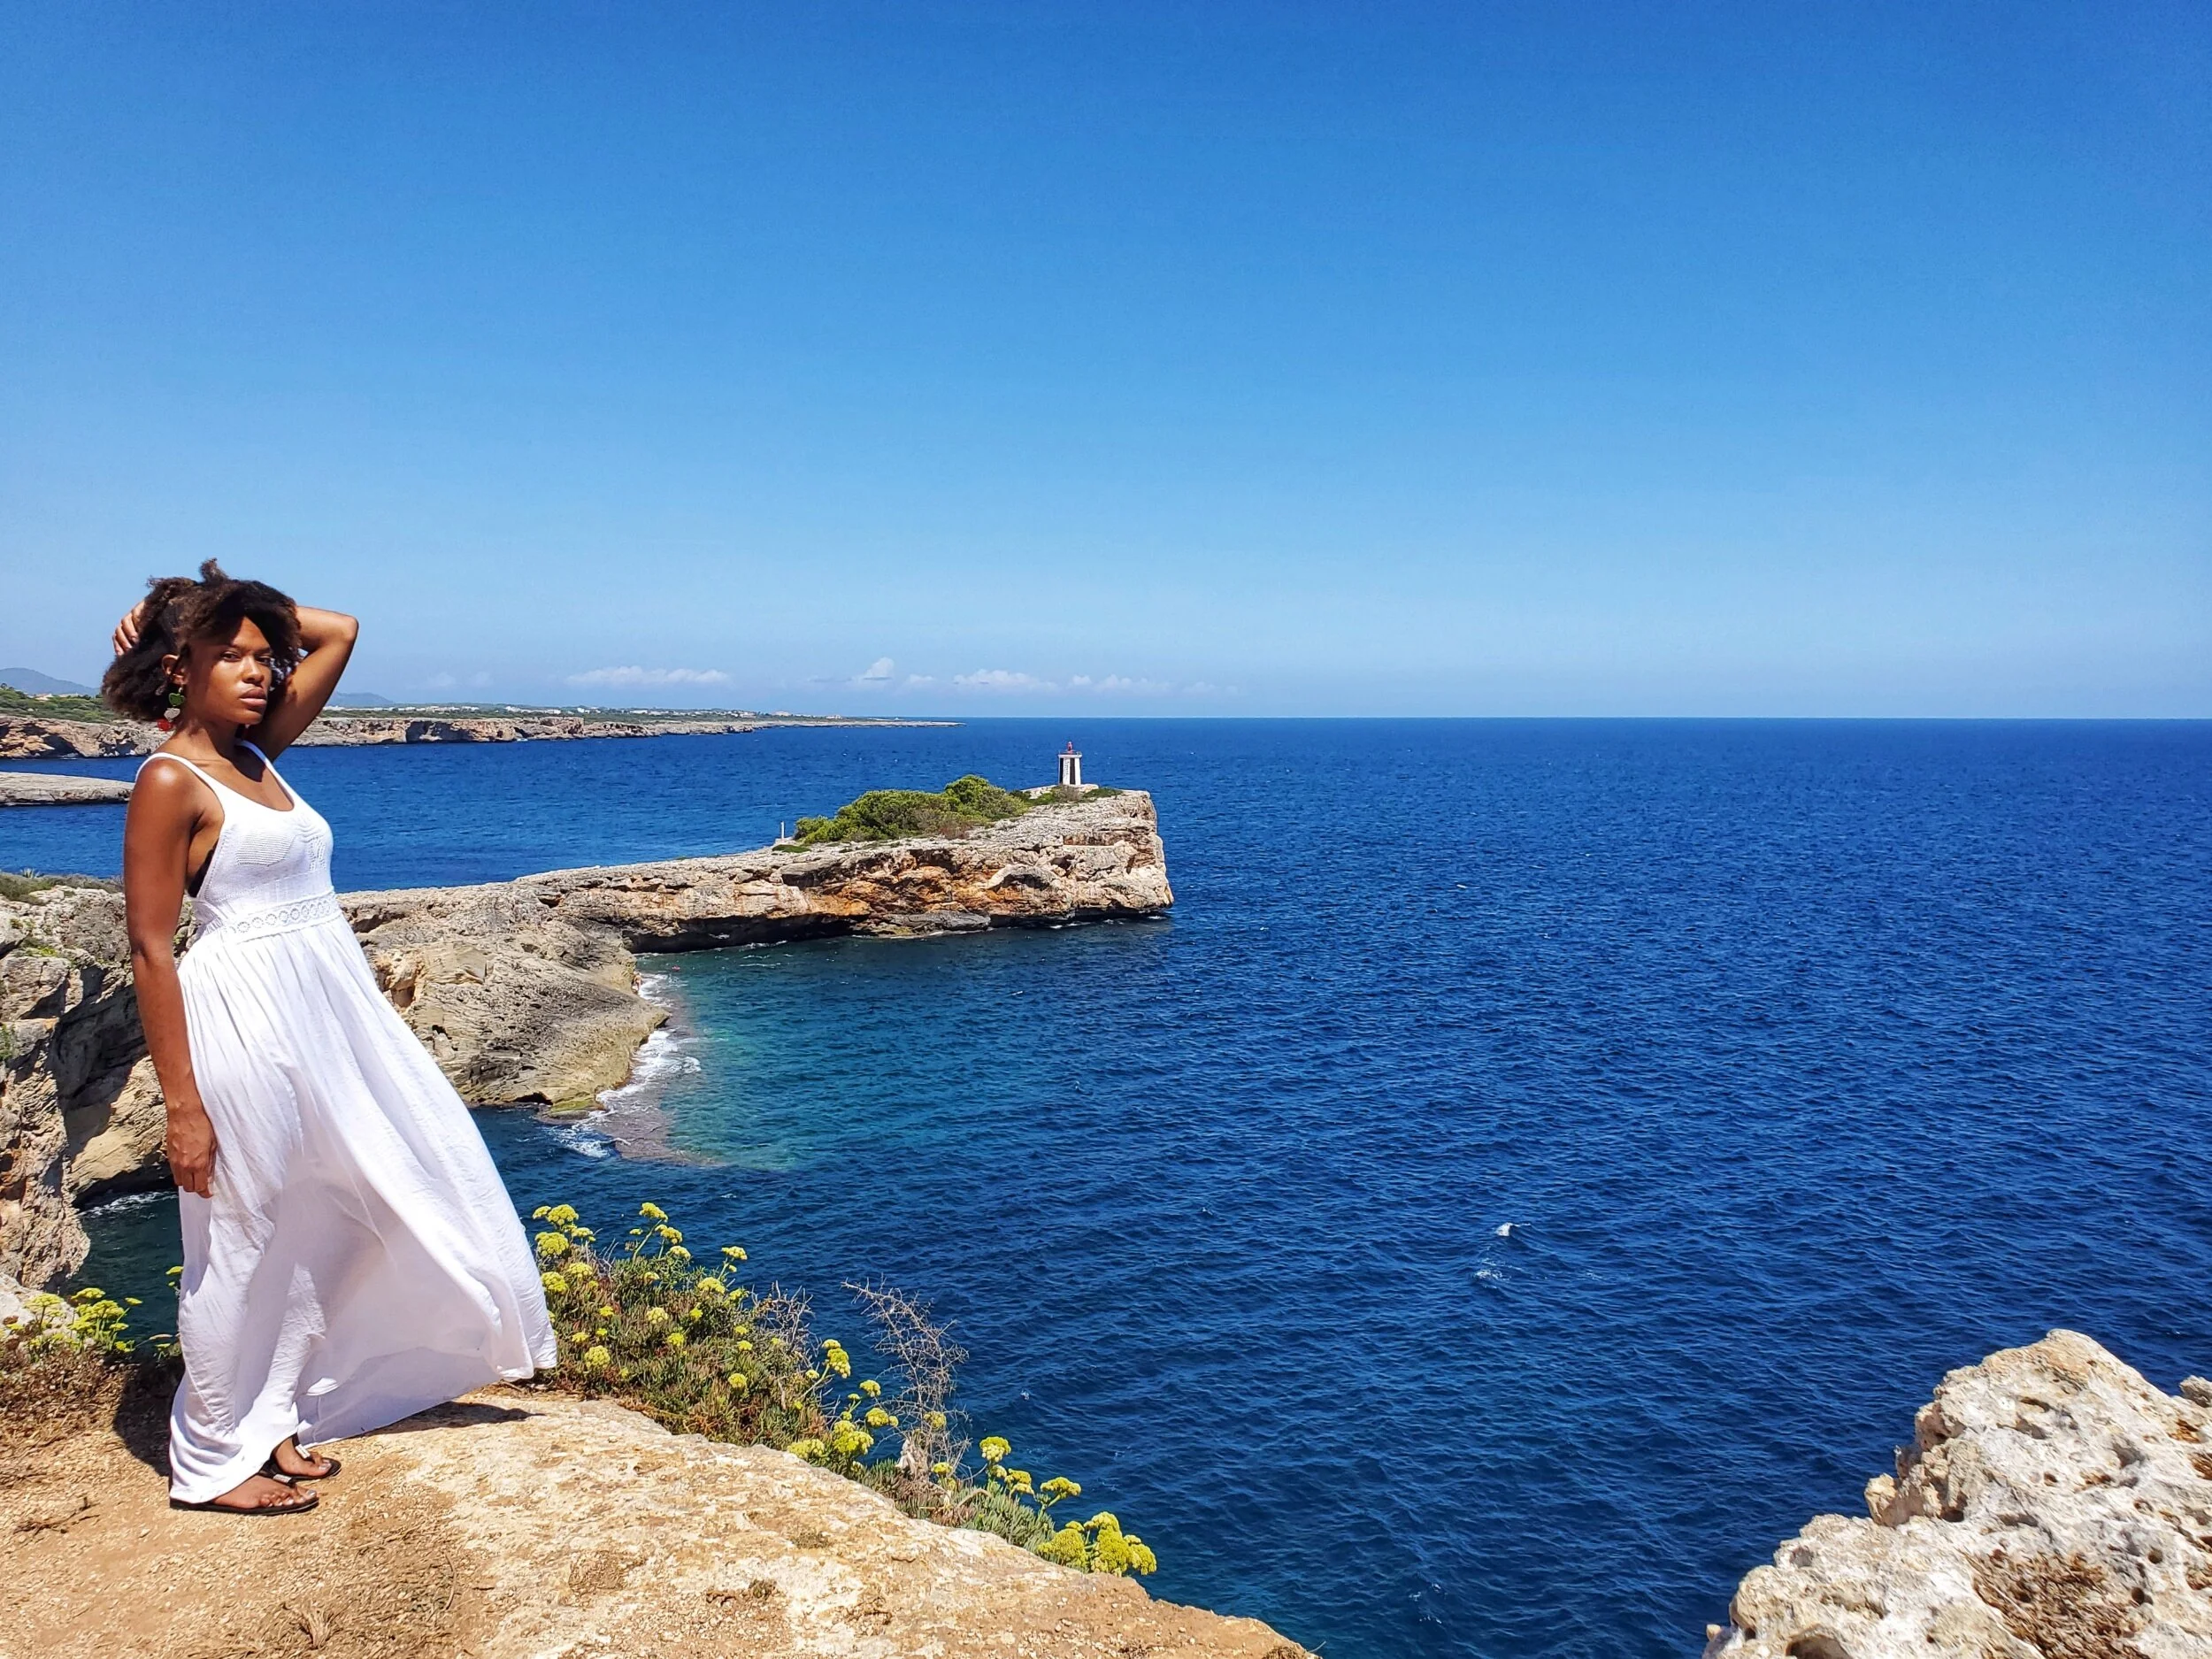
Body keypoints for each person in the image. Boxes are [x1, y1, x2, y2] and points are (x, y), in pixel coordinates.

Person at [108, 563, 555, 1516]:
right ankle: (213, 1459)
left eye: (266, 656)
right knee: (242, 1239)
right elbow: (150, 950)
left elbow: (340, 628)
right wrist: (182, 1107)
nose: (260, 669)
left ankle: (273, 1414)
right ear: (178, 666)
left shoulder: (258, 755)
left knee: (348, 1210)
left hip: (329, 1022)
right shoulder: (169, 779)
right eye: (229, 654)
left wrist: (183, 606)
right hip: (244, 1024)